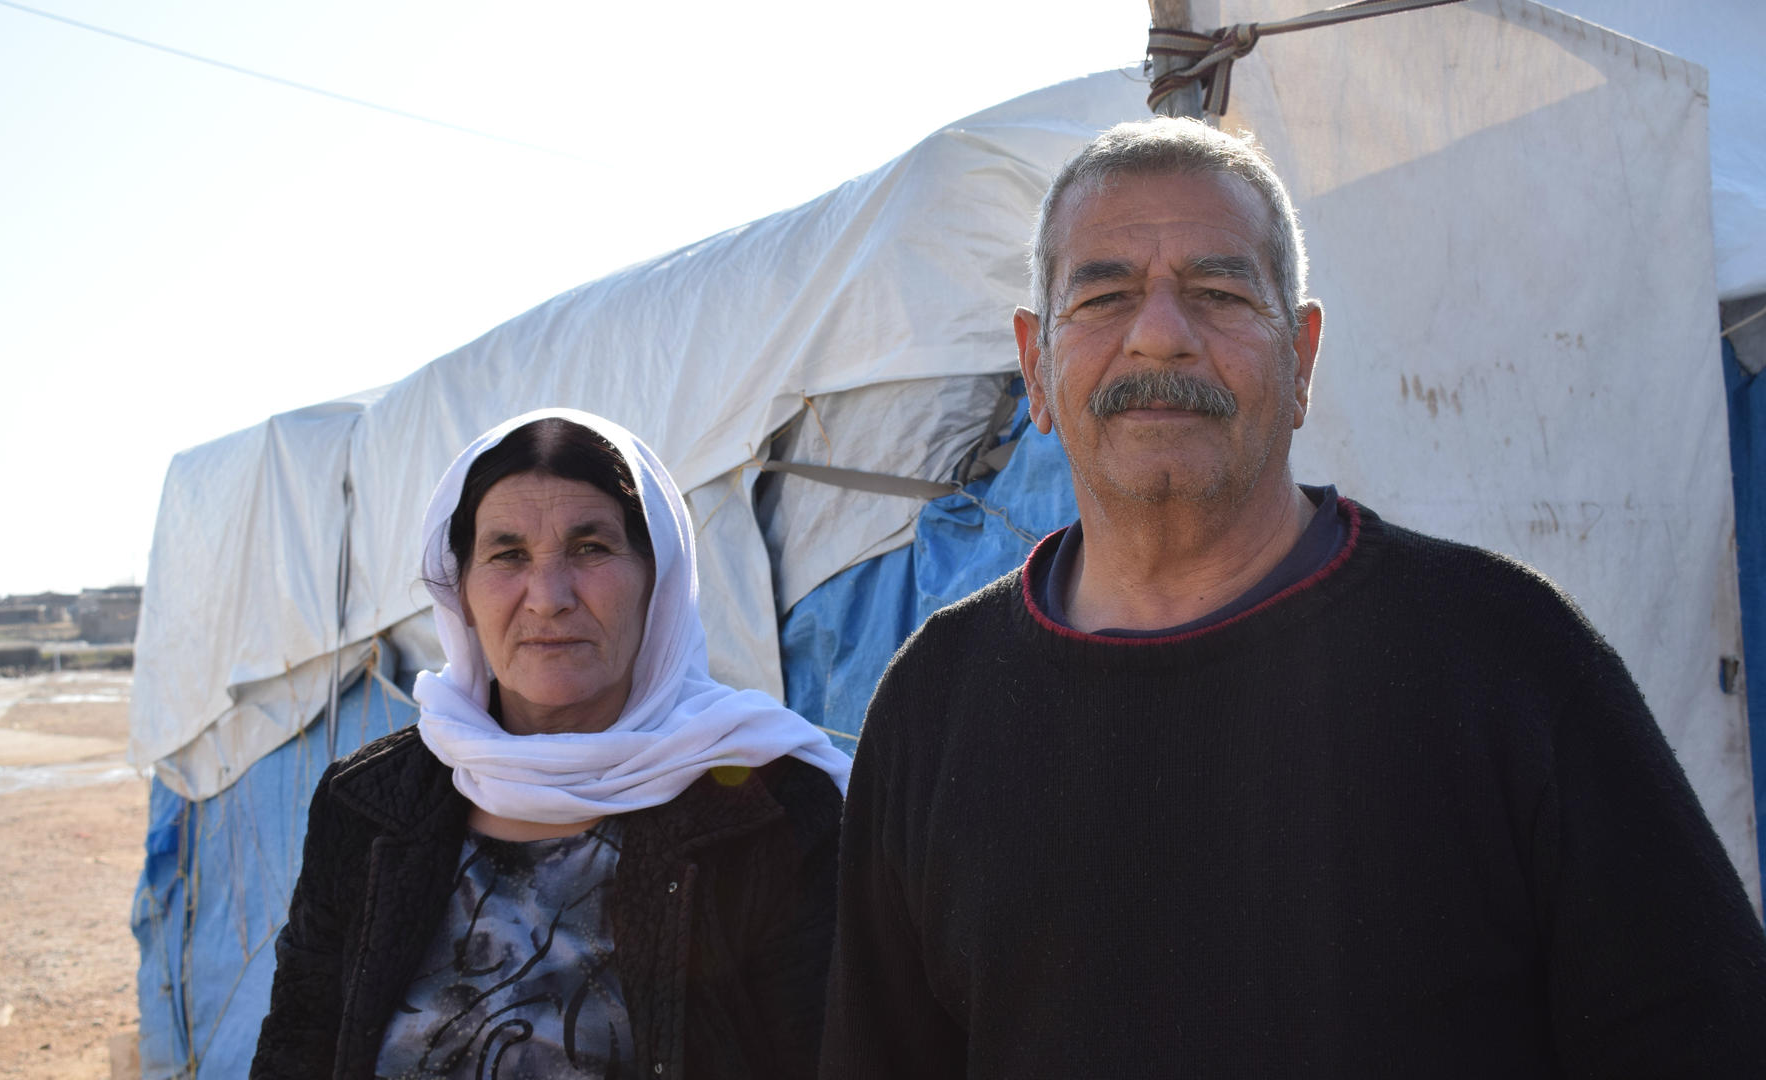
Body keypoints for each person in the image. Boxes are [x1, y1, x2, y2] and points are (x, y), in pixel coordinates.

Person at [819, 118, 1766, 1077]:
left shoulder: (1507, 657)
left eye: (1219, 291)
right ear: (1035, 367)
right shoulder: (933, 705)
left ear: (1303, 357)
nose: (1159, 334)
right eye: (1104, 295)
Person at [252, 408, 850, 1080]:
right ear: (461, 591)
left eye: (590, 547)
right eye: (508, 554)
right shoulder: (368, 806)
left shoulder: (770, 806)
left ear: (659, 579)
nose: (548, 596)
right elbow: (298, 1048)